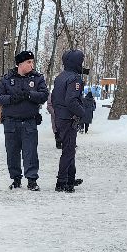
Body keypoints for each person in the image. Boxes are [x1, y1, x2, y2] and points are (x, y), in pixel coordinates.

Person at [0, 49, 48, 190]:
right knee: (12, 152)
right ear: (20, 64)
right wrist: (11, 98)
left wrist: (30, 95)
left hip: (29, 121)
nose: (32, 65)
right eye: (29, 62)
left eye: (32, 62)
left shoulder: (37, 78)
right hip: (11, 123)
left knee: (30, 152)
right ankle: (16, 179)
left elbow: (44, 95)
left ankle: (32, 180)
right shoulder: (7, 79)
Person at [51, 50, 86, 192]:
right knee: (69, 150)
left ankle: (70, 178)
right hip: (68, 118)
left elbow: (54, 99)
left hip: (60, 117)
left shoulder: (60, 77)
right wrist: (82, 113)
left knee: (69, 148)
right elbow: (71, 100)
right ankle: (62, 181)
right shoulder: (74, 78)